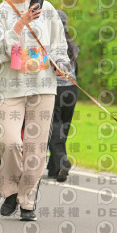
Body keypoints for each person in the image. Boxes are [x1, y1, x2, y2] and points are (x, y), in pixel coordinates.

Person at [0, 0, 71, 221]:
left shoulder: (48, 11)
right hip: (11, 86)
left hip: (43, 85)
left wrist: (61, 64)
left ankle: (27, 201)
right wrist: (20, 23)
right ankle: (11, 190)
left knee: (36, 147)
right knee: (9, 141)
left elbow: (59, 44)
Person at [46, 10, 79, 182]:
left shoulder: (49, 42)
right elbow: (76, 69)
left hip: (55, 89)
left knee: (54, 127)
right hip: (72, 89)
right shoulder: (72, 44)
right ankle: (54, 169)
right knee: (63, 128)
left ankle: (61, 160)